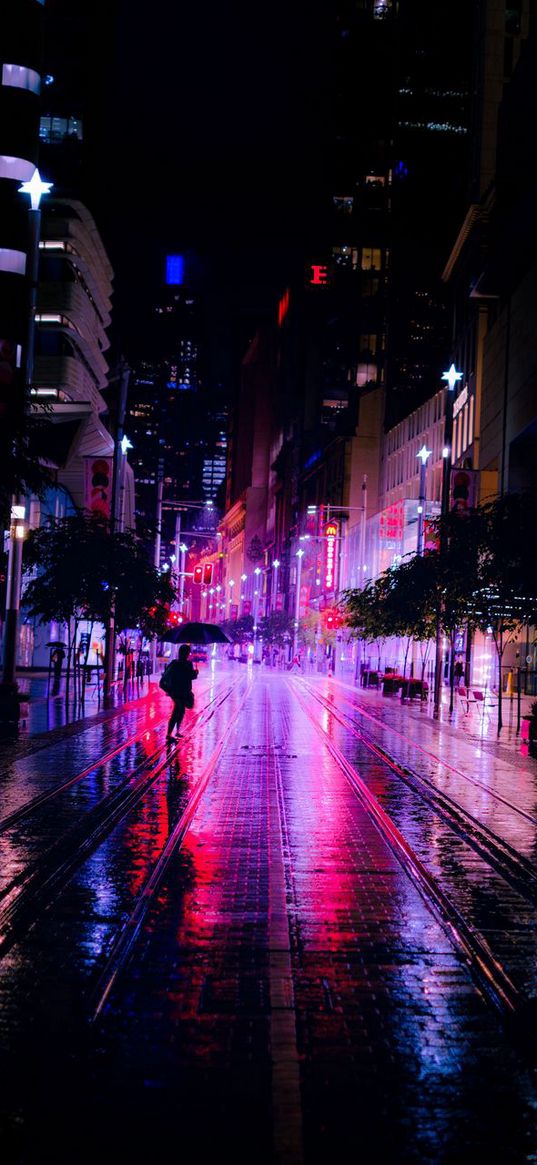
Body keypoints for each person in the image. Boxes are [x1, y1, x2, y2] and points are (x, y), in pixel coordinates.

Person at [162, 644, 199, 739]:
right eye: (187, 652)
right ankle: (169, 734)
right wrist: (195, 673)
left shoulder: (178, 663)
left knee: (181, 711)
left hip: (181, 691)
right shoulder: (185, 664)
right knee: (177, 711)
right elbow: (190, 676)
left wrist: (194, 673)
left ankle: (176, 731)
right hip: (178, 691)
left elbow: (190, 676)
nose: (188, 654)